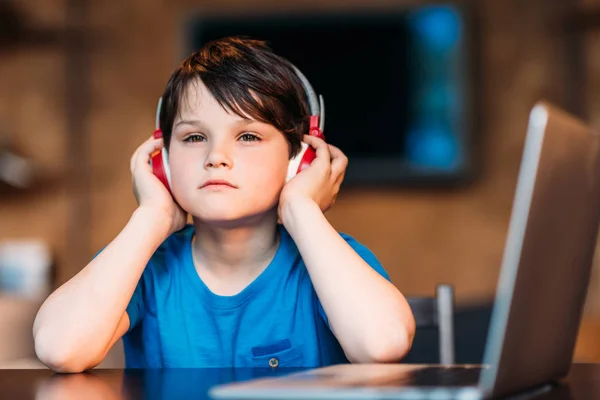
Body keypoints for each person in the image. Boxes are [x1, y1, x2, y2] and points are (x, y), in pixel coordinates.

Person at [33, 36, 416, 372]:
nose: (216, 156)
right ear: (162, 161)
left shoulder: (332, 260)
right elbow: (60, 348)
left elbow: (382, 344)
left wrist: (302, 209)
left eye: (248, 136)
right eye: (194, 137)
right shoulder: (142, 267)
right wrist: (152, 217)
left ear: (299, 161)